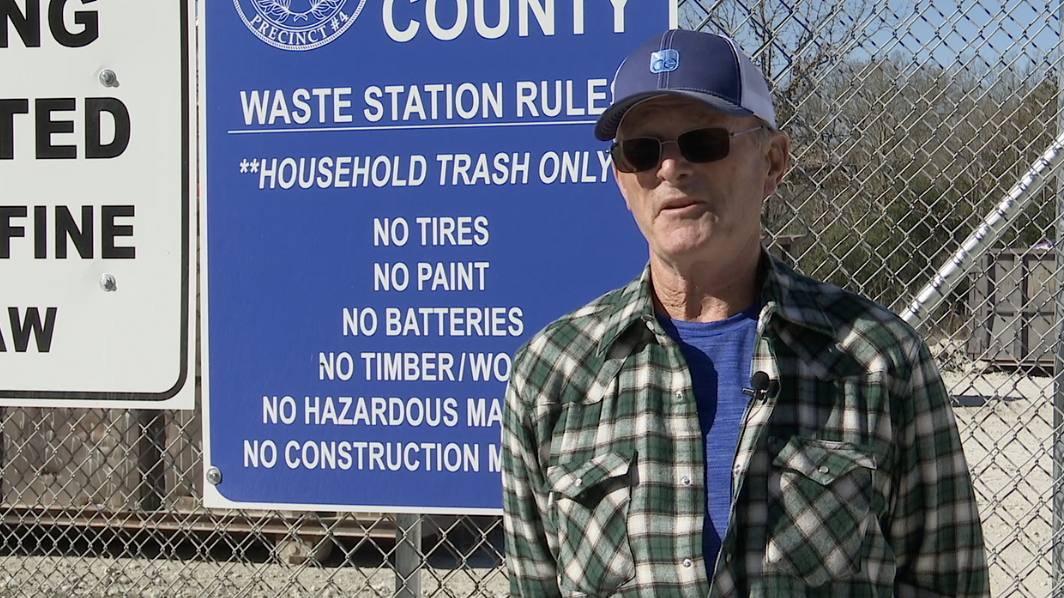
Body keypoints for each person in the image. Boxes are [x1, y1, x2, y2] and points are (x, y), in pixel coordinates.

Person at [501, 29, 989, 598]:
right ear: (621, 179)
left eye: (703, 141)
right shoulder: (553, 376)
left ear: (773, 161)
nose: (670, 168)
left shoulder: (878, 359)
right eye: (643, 151)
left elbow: (948, 582)